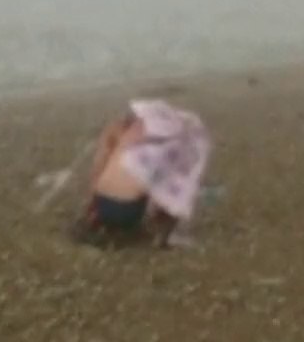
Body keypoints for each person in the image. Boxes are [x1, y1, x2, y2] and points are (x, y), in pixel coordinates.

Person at [71, 99, 211, 248]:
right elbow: (174, 185)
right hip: (132, 211)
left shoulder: (117, 130)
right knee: (160, 177)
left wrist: (93, 202)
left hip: (103, 203)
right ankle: (161, 238)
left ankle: (103, 221)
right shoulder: (171, 139)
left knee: (134, 171)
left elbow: (99, 165)